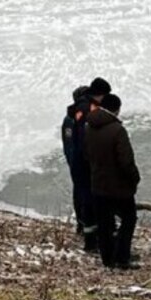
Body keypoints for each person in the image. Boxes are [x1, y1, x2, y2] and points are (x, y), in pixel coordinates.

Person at [85, 93, 141, 269]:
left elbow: (86, 154)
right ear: (116, 109)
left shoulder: (89, 126)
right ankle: (122, 257)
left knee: (104, 223)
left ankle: (108, 259)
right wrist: (135, 178)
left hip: (98, 183)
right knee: (129, 219)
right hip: (119, 186)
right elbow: (126, 161)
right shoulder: (117, 130)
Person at [67, 77, 111, 251]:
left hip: (79, 161)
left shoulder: (79, 108)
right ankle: (94, 241)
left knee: (85, 199)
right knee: (93, 201)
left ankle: (89, 236)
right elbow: (89, 138)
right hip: (87, 162)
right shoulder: (89, 110)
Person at [61, 85, 90, 233]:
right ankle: (85, 225)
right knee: (86, 194)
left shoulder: (69, 118)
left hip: (74, 162)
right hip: (81, 162)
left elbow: (67, 145)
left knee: (78, 193)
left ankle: (81, 223)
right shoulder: (79, 118)